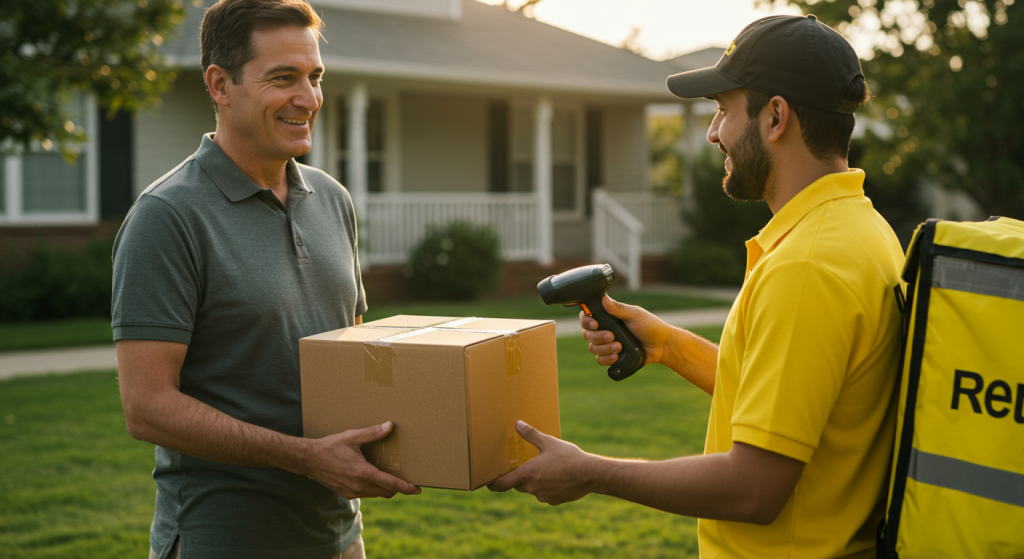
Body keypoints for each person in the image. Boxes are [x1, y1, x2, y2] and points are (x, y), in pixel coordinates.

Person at [490, 14, 905, 559]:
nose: (713, 132)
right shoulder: (862, 231)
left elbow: (754, 488)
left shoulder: (808, 268)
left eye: (723, 110)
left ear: (776, 116)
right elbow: (795, 402)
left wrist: (590, 472)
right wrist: (668, 345)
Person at [112, 2, 420, 558]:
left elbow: (349, 356)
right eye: (283, 78)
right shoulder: (168, 216)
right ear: (219, 84)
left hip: (339, 537)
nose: (308, 98)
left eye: (314, 76)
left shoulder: (332, 199)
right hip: (225, 539)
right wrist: (304, 456)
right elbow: (147, 405)